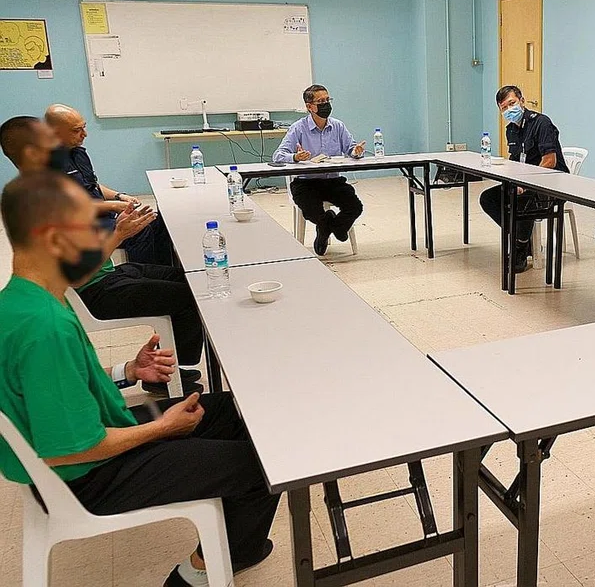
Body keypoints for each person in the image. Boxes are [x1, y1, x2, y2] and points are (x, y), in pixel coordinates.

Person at [0, 171, 280, 587]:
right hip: (88, 477)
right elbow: (68, 451)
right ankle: (198, 573)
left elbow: (47, 393)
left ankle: (234, 534)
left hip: (95, 439)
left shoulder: (23, 299)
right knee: (266, 464)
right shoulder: (45, 328)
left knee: (235, 414)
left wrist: (128, 372)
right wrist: (161, 428)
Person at [1, 116, 203, 397]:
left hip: (107, 274)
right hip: (93, 291)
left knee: (190, 279)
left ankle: (171, 363)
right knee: (190, 297)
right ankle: (162, 375)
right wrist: (119, 234)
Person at [45, 104, 174, 266]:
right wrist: (113, 206)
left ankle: (169, 272)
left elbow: (92, 184)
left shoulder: (76, 152)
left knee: (158, 221)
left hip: (103, 217)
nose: (84, 134)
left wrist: (119, 196)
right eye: (76, 130)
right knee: (140, 230)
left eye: (83, 128)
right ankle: (147, 274)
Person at [478, 85, 570, 273]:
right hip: (526, 182)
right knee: (489, 198)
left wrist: (525, 182)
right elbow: (515, 161)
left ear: (522, 100)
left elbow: (550, 161)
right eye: (504, 107)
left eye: (512, 103)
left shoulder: (541, 123)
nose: (509, 110)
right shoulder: (511, 129)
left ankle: (520, 250)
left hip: (552, 183)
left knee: (521, 200)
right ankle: (523, 239)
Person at [272, 84, 365, 256]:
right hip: (306, 183)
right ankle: (328, 226)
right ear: (309, 107)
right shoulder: (298, 128)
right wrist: (294, 157)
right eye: (320, 101)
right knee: (312, 211)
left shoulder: (338, 126)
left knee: (355, 206)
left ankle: (329, 229)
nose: (325, 104)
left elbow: (351, 148)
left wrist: (356, 152)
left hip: (333, 181)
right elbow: (278, 155)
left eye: (327, 100)